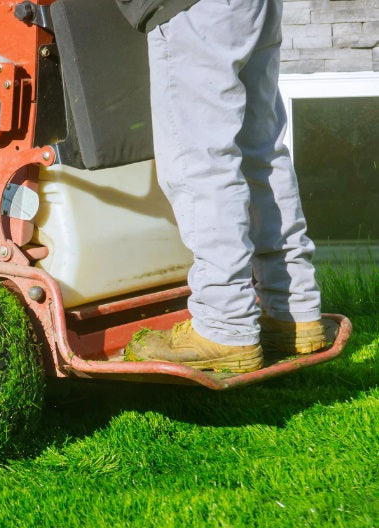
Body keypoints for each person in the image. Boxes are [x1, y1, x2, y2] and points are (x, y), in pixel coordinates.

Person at [117, 0, 328, 372]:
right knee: (260, 151)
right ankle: (291, 309)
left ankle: (225, 325)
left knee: (200, 162)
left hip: (190, 8)